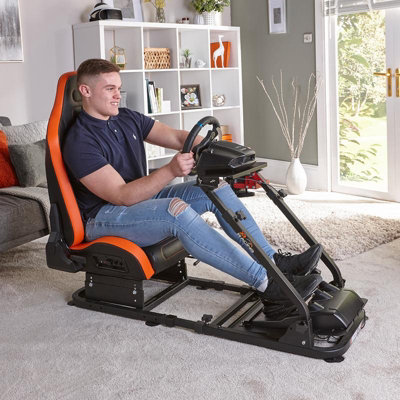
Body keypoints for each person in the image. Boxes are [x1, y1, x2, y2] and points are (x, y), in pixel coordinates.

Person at [63, 58, 323, 304]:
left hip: (140, 200)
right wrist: (171, 170)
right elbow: (122, 195)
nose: (118, 95)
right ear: (86, 90)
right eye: (110, 89)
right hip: (105, 216)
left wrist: (220, 151)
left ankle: (273, 261)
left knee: (216, 188)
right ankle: (268, 284)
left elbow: (178, 138)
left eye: (118, 88)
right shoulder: (80, 141)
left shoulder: (126, 117)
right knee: (175, 211)